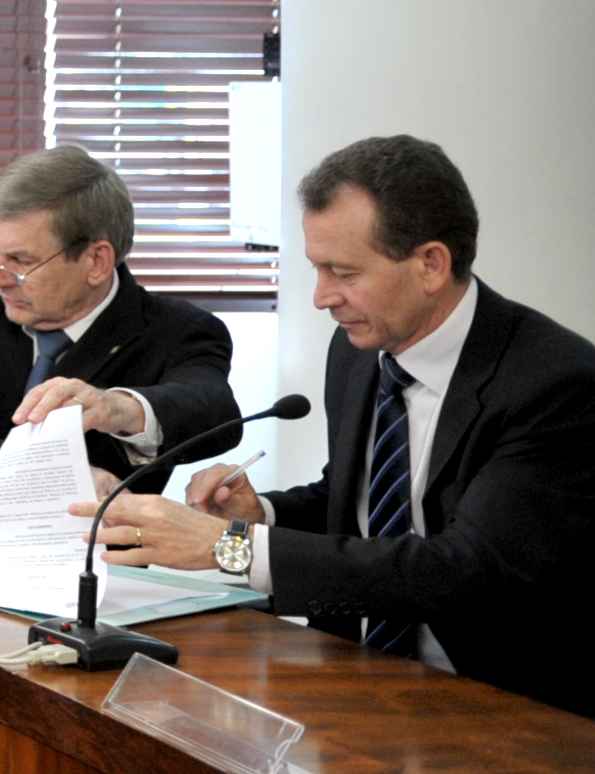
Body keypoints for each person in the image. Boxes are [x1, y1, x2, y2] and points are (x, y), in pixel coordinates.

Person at [87, 136, 595, 719]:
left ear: (431, 264)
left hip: (509, 708)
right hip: (358, 677)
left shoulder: (554, 384)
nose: (322, 297)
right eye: (316, 268)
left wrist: (230, 549)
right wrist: (260, 516)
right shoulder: (358, 350)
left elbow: (465, 570)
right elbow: (359, 504)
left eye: (344, 272)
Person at [0, 145, 238, 521]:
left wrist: (120, 407)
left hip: (82, 542)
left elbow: (214, 414)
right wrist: (50, 480)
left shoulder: (177, 331)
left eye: (19, 261)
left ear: (96, 262)